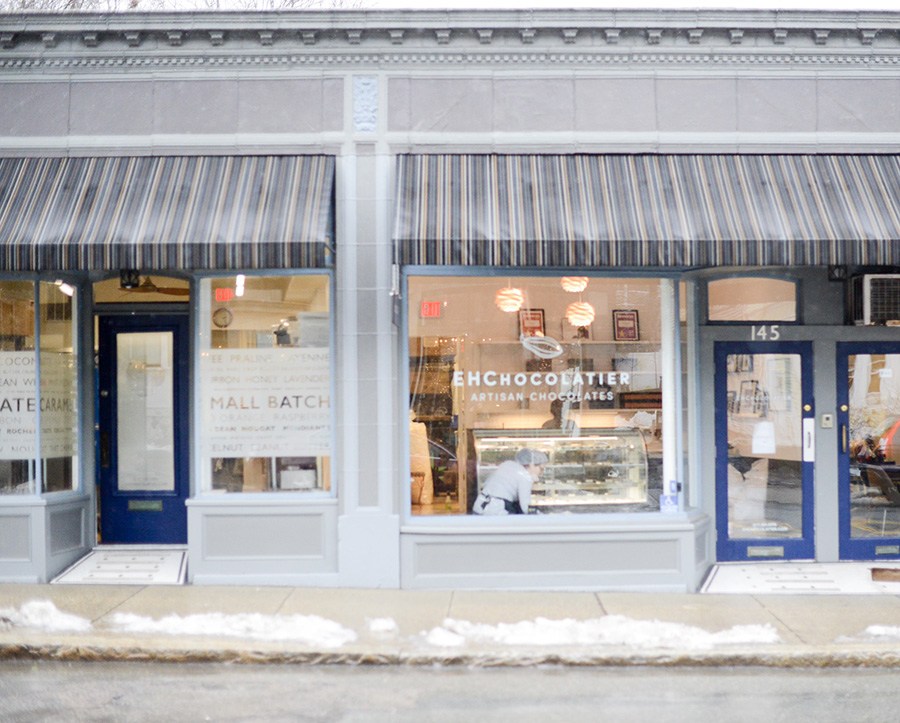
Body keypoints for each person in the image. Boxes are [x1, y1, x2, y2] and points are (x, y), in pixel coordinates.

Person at [472, 448, 548, 515]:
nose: (541, 472)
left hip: (480, 506)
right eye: (541, 469)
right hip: (495, 511)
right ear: (531, 465)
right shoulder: (524, 476)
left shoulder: (506, 465)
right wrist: (541, 515)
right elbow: (525, 507)